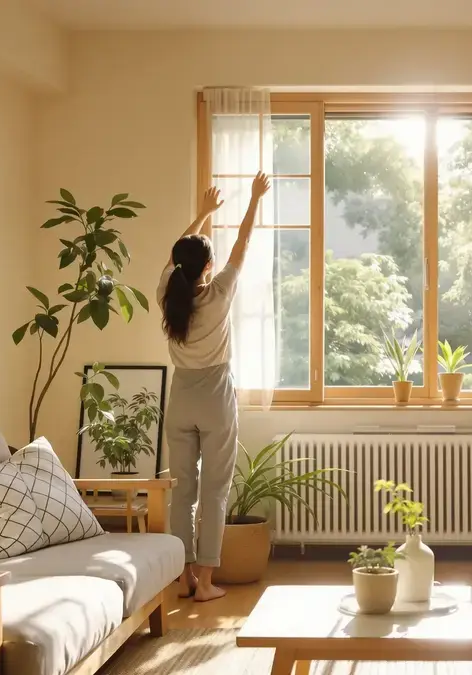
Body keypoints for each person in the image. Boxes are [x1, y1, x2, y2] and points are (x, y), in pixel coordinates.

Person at [159, 171, 270, 602]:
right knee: (214, 492)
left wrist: (202, 214)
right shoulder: (219, 292)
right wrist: (254, 198)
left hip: (180, 398)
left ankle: (184, 577)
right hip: (215, 397)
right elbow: (243, 242)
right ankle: (205, 583)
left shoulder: (167, 294)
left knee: (182, 492)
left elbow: (176, 254)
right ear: (208, 267)